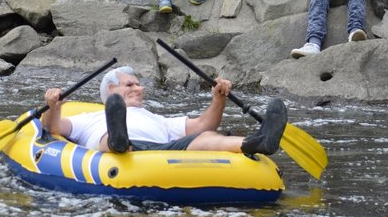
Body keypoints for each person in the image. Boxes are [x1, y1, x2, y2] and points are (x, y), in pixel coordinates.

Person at [41, 65, 287, 156]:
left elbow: (203, 125)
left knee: (206, 137)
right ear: (111, 91)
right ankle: (118, 140)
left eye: (138, 83)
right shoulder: (88, 118)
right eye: (130, 84)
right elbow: (54, 128)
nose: (138, 88)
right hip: (121, 149)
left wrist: (218, 99)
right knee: (108, 137)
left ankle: (259, 142)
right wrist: (54, 106)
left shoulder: (156, 118)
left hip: (161, 151)